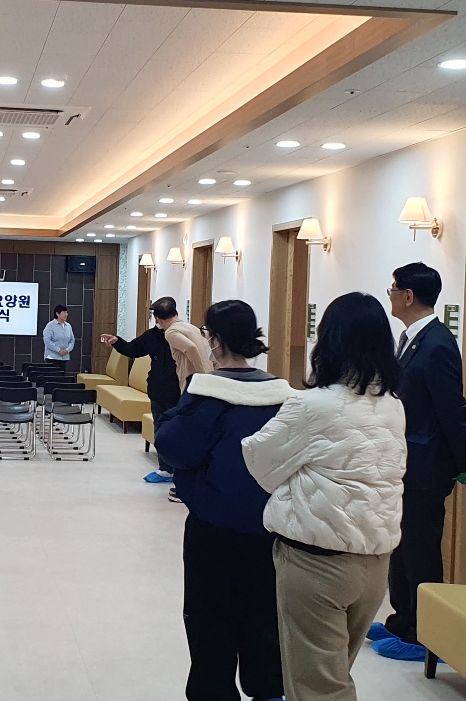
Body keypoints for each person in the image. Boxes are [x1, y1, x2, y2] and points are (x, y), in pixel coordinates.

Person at [241, 292, 407, 700]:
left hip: (316, 562)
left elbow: (258, 460)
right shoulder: (393, 405)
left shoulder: (310, 404)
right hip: (375, 562)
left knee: (317, 685)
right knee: (333, 674)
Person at [155, 300, 291, 701]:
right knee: (264, 615)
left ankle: (214, 691)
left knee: (209, 617)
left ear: (214, 340)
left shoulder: (207, 394)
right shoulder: (283, 396)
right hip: (270, 529)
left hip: (213, 529)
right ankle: (267, 689)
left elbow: (175, 447)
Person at [368, 262, 466, 662]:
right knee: (402, 545)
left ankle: (425, 636)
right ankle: (401, 620)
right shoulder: (411, 339)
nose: (391, 296)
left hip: (427, 466)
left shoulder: (438, 344)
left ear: (408, 296)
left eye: (393, 289)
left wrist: (458, 464)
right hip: (405, 462)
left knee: (421, 550)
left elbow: (452, 409)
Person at [101, 296, 212, 495]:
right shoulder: (153, 335)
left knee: (180, 432)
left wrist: (203, 375)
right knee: (161, 430)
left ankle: (182, 472)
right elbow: (134, 349)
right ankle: (166, 468)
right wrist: (117, 342)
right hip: (159, 390)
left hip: (180, 390)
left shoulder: (178, 332)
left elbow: (195, 350)